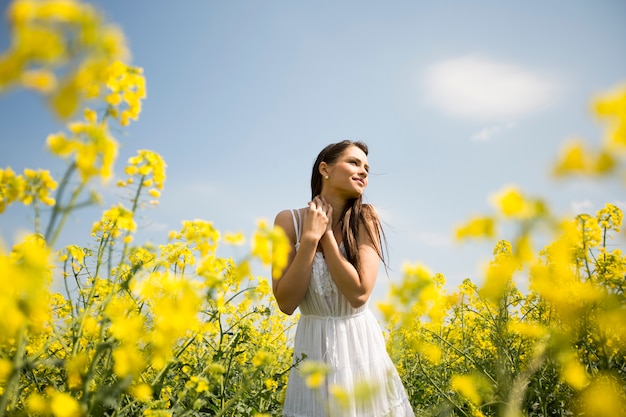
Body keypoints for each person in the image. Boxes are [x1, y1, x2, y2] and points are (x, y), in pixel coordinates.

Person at [272, 140, 414, 416]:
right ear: (325, 168)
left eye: (367, 168)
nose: (363, 172)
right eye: (354, 162)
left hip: (360, 346)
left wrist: (324, 236)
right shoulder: (287, 222)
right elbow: (286, 303)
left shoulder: (365, 218)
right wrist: (310, 238)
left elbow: (359, 293)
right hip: (312, 347)